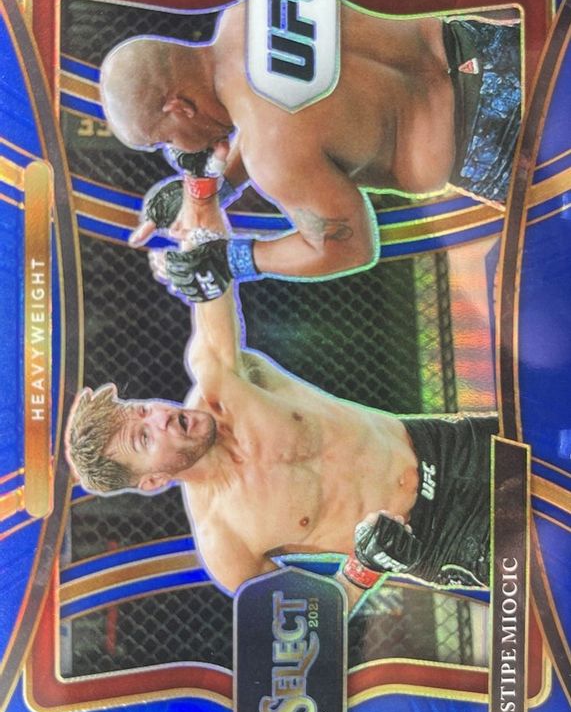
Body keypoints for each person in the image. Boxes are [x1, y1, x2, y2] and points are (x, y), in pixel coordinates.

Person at [65, 177, 497, 600]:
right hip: (442, 540)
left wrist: (196, 194)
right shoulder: (225, 542)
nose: (159, 417)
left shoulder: (220, 383)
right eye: (144, 437)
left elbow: (209, 266)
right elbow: (308, 630)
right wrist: (364, 569)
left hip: (449, 446)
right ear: (154, 481)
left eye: (143, 410)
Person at [100, 2, 521, 284]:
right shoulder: (248, 12)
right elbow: (283, 113)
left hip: (501, 145)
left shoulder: (271, 154)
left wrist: (229, 260)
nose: (179, 151)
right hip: (490, 46)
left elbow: (349, 247)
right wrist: (212, 188)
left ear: (178, 107)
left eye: (165, 140)